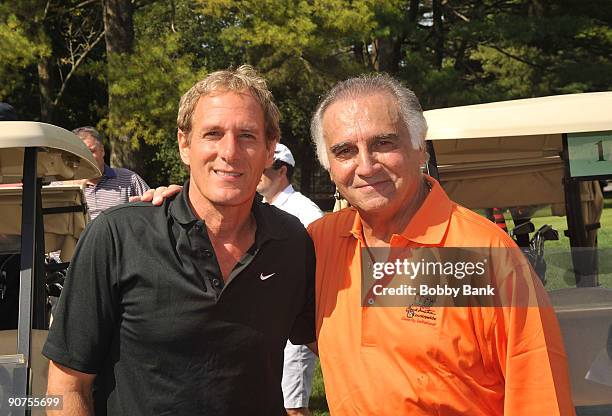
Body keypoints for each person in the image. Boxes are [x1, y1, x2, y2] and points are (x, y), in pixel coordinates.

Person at [142, 74, 575, 415]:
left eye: (384, 143)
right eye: (345, 151)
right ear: (329, 165)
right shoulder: (319, 243)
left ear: (419, 146)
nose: (365, 166)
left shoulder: (483, 257)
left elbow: (539, 396)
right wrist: (194, 206)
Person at [43, 65, 316, 415]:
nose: (229, 152)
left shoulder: (292, 241)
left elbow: (339, 348)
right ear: (184, 145)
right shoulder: (118, 236)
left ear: (269, 148)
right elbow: (66, 385)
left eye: (247, 135)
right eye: (213, 134)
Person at [257, 143, 322, 416]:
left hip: (295, 328)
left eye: (263, 169)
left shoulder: (305, 212)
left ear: (281, 171)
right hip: (268, 325)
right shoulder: (259, 209)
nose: (255, 174)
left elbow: (319, 269)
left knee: (293, 407)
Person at [69, 126, 150, 220]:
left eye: (91, 151)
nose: (87, 157)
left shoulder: (129, 179)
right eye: (81, 153)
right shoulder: (63, 188)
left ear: (102, 150)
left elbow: (153, 210)